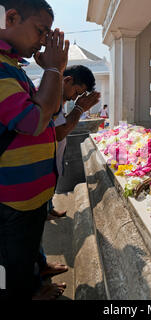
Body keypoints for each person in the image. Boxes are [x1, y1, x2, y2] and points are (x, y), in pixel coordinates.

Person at [0, 0, 69, 300]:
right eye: (41, 31)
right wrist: (55, 68)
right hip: (12, 198)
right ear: (11, 18)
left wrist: (52, 72)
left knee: (28, 243)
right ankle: (27, 294)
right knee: (13, 257)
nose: (44, 41)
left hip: (30, 196)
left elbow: (48, 109)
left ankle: (38, 270)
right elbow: (35, 120)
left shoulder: (13, 66)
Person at [35, 66, 100, 293]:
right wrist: (81, 108)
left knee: (34, 227)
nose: (76, 98)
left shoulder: (58, 97)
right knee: (26, 231)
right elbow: (60, 132)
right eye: (77, 91)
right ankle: (32, 283)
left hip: (45, 168)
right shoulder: (47, 94)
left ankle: (40, 265)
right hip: (31, 173)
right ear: (68, 80)